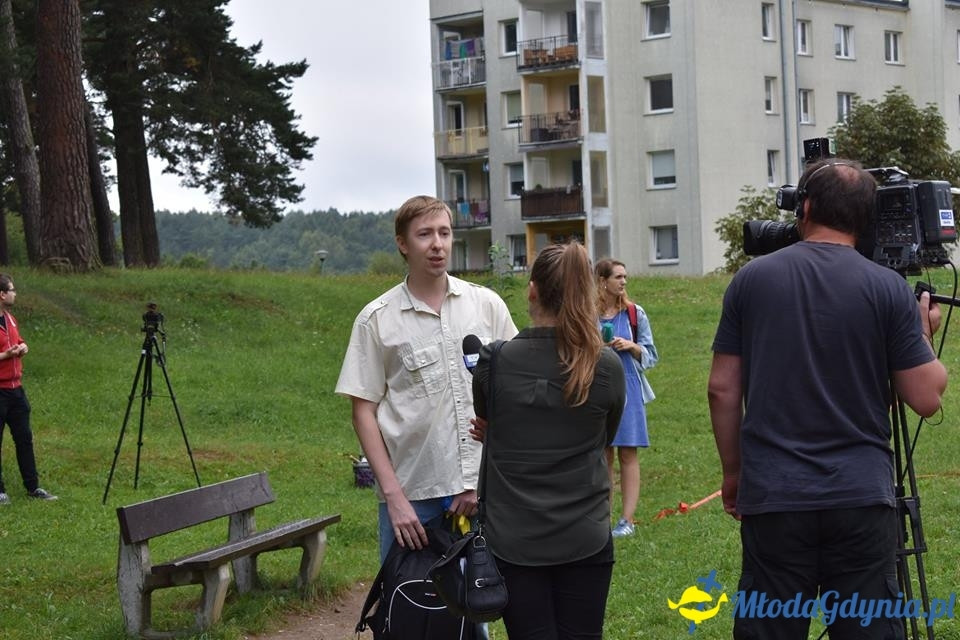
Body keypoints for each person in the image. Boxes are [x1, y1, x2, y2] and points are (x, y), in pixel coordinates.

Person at [707, 160, 947, 639]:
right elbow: (925, 397)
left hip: (774, 495)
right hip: (860, 497)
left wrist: (734, 474)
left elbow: (722, 388)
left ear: (807, 207)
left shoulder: (750, 282)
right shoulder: (887, 288)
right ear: (864, 218)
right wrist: (921, 334)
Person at [335, 195, 517, 562]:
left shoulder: (486, 305)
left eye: (444, 233)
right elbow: (363, 411)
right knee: (408, 612)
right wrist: (394, 498)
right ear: (402, 243)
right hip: (413, 500)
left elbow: (515, 390)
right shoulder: (377, 320)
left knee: (477, 609)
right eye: (424, 235)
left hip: (484, 491)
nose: (437, 244)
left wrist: (479, 479)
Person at [471, 242, 626, 640]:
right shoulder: (605, 365)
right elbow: (604, 436)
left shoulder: (494, 361)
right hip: (585, 534)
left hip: (513, 539)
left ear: (532, 291)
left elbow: (488, 425)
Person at [596, 258, 658, 538]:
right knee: (604, 454)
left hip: (629, 389)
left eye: (625, 277)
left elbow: (651, 356)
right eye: (618, 277)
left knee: (628, 453)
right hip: (598, 390)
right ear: (602, 281)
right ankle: (604, 521)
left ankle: (627, 520)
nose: (623, 282)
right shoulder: (588, 314)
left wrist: (631, 346)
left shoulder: (635, 314)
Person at [0, 275, 57, 505]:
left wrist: (23, 347)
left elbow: (19, 341)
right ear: (2, 294)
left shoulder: (11, 320)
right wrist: (7, 355)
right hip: (0, 390)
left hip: (16, 390)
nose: (15, 294)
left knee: (24, 438)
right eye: (12, 290)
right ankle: (0, 491)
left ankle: (33, 487)